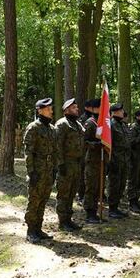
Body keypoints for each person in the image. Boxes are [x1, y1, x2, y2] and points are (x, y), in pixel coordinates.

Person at [23, 98, 58, 243]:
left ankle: (38, 228)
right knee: (34, 200)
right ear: (40, 110)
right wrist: (31, 172)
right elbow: (28, 152)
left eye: (51, 108)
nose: (51, 111)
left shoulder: (51, 129)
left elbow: (55, 151)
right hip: (37, 170)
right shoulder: (33, 128)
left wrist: (55, 168)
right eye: (48, 109)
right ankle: (31, 230)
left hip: (48, 170)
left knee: (43, 199)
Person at [55, 98, 84, 231]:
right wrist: (60, 164)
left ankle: (68, 219)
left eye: (77, 107)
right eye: (74, 108)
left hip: (77, 164)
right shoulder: (62, 124)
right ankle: (62, 221)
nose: (77, 109)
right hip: (66, 163)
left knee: (72, 192)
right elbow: (58, 146)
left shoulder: (78, 124)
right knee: (64, 193)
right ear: (66, 110)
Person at [83, 99, 106, 223]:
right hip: (92, 159)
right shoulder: (90, 123)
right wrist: (96, 144)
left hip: (101, 160)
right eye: (99, 108)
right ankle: (89, 213)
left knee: (99, 187)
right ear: (94, 109)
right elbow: (84, 141)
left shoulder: (102, 123)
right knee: (91, 187)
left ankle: (96, 211)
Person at [107, 103, 130, 218]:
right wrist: (110, 161)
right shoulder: (111, 125)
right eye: (121, 111)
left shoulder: (123, 125)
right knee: (114, 185)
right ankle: (111, 209)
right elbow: (108, 145)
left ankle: (116, 206)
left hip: (124, 159)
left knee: (121, 184)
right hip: (115, 159)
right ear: (115, 112)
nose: (123, 112)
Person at [127, 108, 140, 212]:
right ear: (138, 116)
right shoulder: (134, 127)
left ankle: (136, 200)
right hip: (135, 159)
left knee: (139, 180)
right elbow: (132, 142)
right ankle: (131, 202)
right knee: (133, 180)